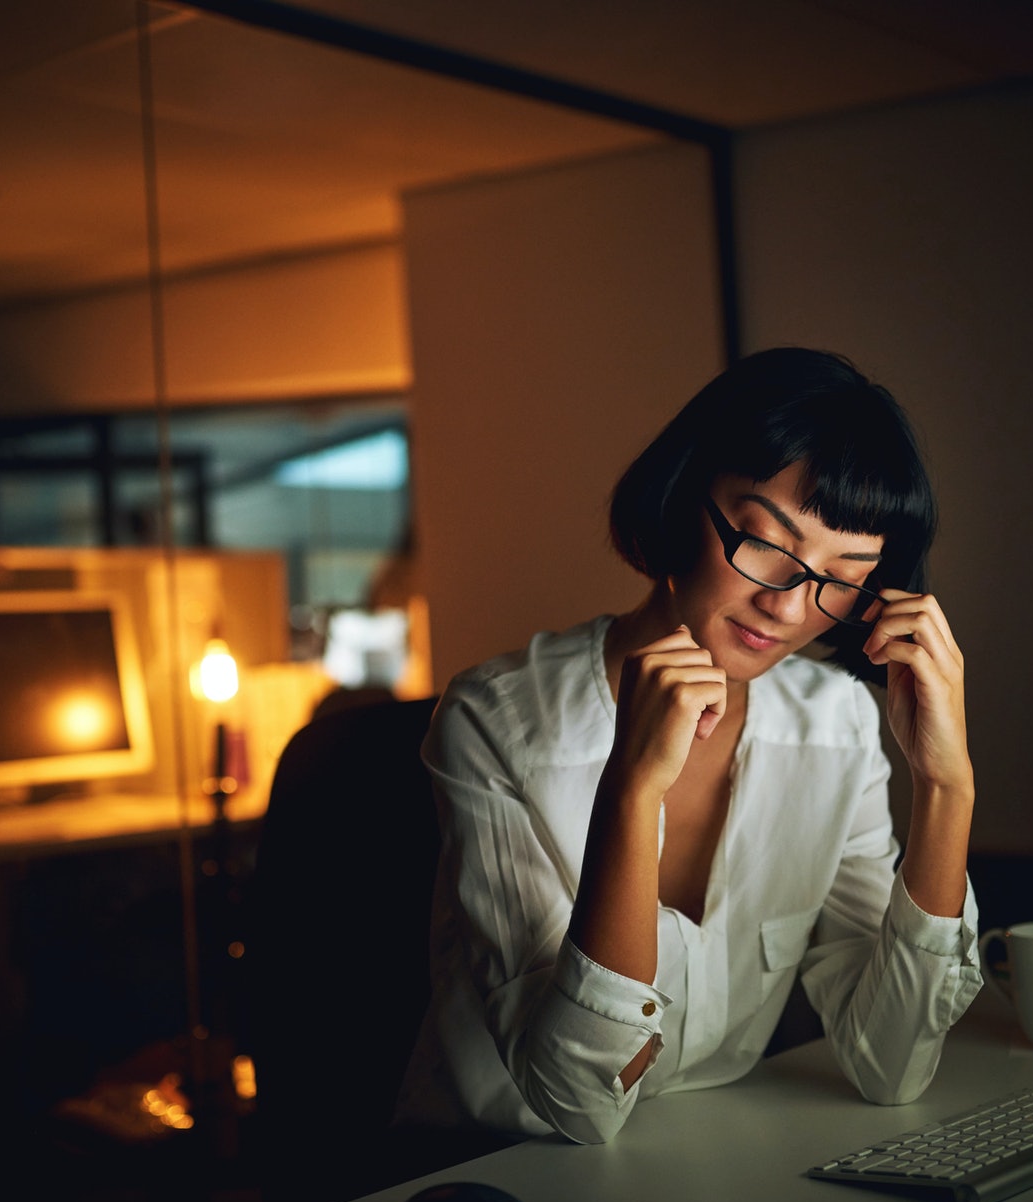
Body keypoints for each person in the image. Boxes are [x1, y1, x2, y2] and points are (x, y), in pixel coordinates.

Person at [393, 347, 983, 1145]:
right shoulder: (496, 722)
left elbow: (893, 1063)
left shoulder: (835, 724)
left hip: (700, 1162)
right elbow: (575, 1099)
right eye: (765, 540)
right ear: (682, 498)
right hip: (483, 1177)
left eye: (843, 576)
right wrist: (631, 792)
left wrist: (947, 786)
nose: (788, 606)